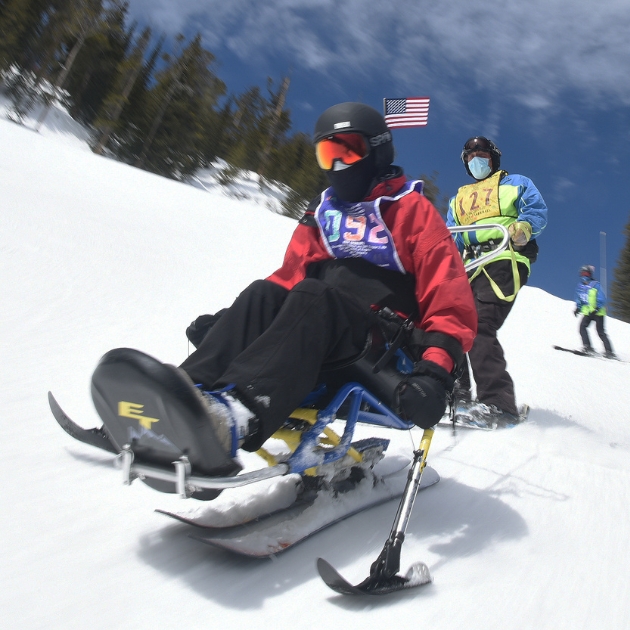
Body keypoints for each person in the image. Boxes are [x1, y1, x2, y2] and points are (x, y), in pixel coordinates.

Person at [94, 103, 477, 475]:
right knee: (263, 293)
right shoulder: (324, 213)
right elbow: (289, 277)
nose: (338, 165)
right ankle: (179, 404)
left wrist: (435, 373)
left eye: (348, 151)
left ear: (377, 151)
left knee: (315, 296)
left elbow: (448, 298)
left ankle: (235, 417)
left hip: (382, 349)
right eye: (328, 155)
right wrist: (233, 324)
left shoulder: (410, 209)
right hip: (315, 334)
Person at [446, 136, 548, 426]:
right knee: (451, 326)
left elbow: (535, 209)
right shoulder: (459, 198)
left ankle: (498, 404)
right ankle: (456, 393)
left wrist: (525, 226)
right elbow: (451, 235)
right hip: (470, 264)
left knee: (479, 326)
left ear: (493, 158)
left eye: (482, 154)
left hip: (504, 257)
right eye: (471, 156)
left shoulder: (515, 182)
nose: (477, 160)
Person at [574, 265, 616, 358]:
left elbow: (601, 298)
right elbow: (579, 299)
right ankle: (587, 347)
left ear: (590, 274)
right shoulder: (580, 287)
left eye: (586, 273)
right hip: (588, 312)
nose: (584, 275)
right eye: (583, 273)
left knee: (600, 331)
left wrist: (597, 308)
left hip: (598, 312)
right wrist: (578, 308)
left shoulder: (595, 284)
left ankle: (609, 351)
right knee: (582, 328)